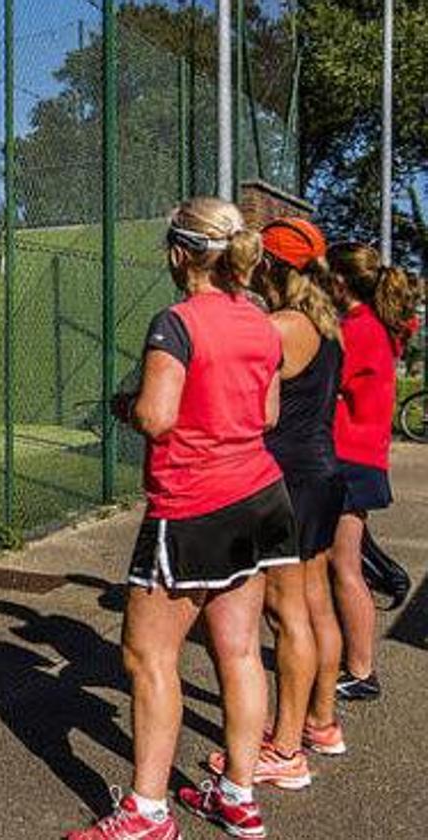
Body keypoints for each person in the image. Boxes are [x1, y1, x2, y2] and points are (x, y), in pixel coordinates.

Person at [67, 197, 296, 840]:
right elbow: (270, 415)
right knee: (242, 650)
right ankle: (238, 796)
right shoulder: (260, 320)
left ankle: (147, 812)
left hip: (193, 505)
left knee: (147, 656)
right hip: (261, 496)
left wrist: (129, 405)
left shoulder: (175, 322)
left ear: (177, 253)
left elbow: (158, 417)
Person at [206, 217, 348, 787]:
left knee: (286, 614)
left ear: (272, 265)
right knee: (313, 606)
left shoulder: (280, 327)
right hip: (321, 473)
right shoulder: (325, 323)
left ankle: (286, 750)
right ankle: (320, 723)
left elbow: (248, 403)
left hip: (290, 479)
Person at [319, 243, 418, 702]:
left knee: (345, 566)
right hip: (361, 458)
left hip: (349, 458)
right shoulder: (374, 326)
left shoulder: (356, 329)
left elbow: (323, 382)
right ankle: (353, 661)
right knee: (346, 563)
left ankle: (361, 670)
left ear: (339, 281)